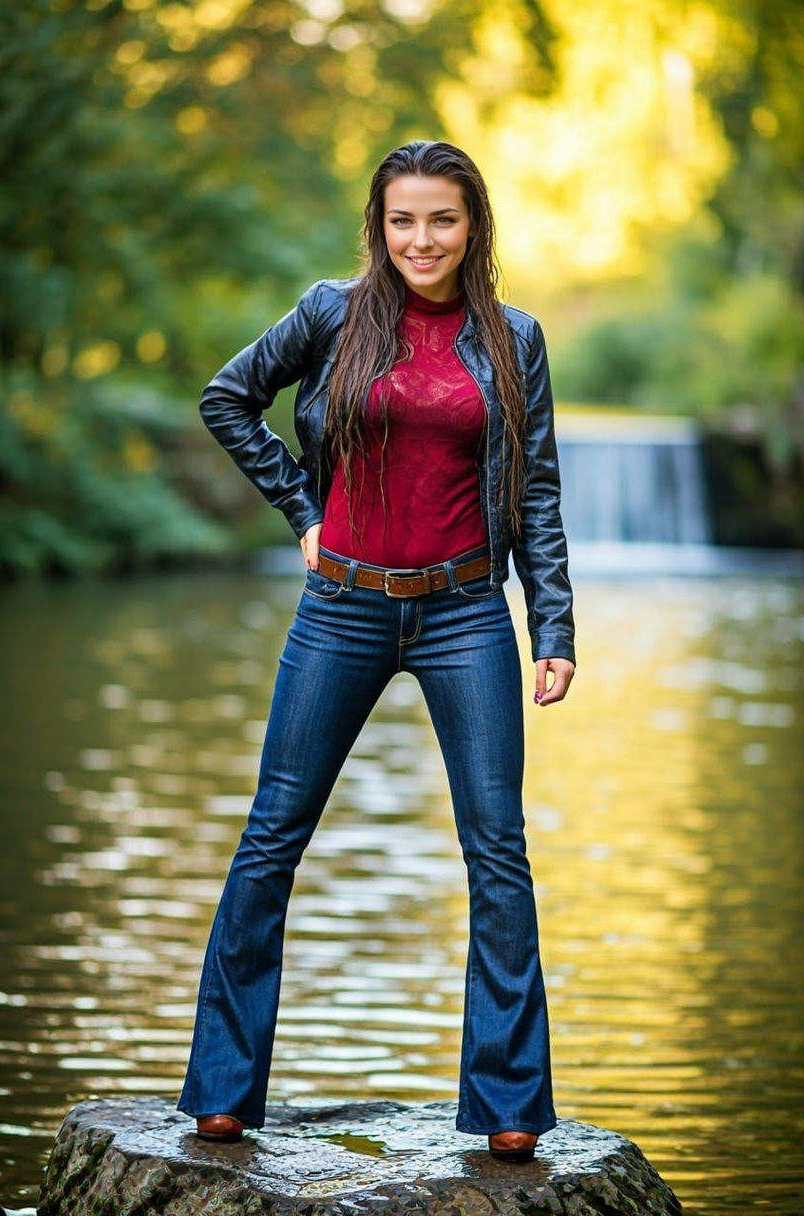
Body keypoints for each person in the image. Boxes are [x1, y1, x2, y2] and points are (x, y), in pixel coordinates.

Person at [176, 139, 576, 1162]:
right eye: (402, 219)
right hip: (342, 605)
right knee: (271, 837)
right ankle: (222, 1091)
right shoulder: (330, 312)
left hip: (465, 615)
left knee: (497, 853)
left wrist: (554, 628)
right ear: (379, 223)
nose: (421, 239)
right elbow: (229, 397)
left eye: (441, 218)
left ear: (472, 225)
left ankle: (508, 1103)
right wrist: (300, 509)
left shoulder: (514, 337)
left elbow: (534, 492)